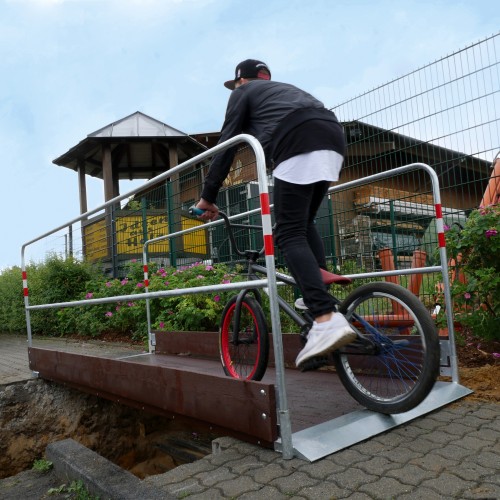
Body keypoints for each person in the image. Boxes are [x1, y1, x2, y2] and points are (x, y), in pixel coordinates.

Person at [195, 59, 356, 368]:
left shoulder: (244, 92)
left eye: (236, 84)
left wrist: (208, 196)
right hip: (332, 136)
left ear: (241, 81)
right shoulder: (285, 91)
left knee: (287, 232)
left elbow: (228, 142)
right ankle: (317, 294)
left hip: (297, 141)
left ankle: (324, 317)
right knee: (302, 222)